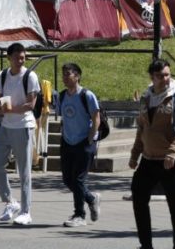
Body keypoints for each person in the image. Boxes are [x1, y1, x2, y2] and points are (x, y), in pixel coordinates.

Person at [129, 59, 175, 249]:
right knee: (138, 197)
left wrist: (172, 152)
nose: (164, 79)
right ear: (152, 77)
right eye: (160, 76)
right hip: (149, 159)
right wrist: (135, 154)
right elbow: (142, 128)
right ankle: (146, 245)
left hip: (173, 160)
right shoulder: (146, 97)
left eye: (167, 75)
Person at [0, 43, 40, 226]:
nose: (20, 61)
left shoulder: (30, 76)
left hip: (23, 126)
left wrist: (11, 110)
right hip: (5, 127)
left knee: (24, 171)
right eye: (17, 58)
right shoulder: (1, 76)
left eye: (23, 58)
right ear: (8, 58)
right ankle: (10, 202)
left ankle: (26, 212)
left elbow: (31, 105)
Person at [56, 63, 101, 227]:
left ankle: (79, 215)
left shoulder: (87, 95)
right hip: (68, 141)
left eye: (69, 74)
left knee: (79, 179)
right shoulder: (61, 96)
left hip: (84, 142)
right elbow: (63, 117)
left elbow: (96, 117)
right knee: (68, 179)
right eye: (64, 74)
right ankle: (90, 198)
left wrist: (90, 137)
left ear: (78, 76)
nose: (66, 77)